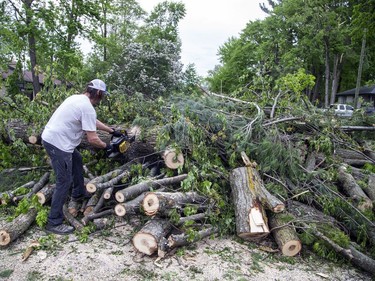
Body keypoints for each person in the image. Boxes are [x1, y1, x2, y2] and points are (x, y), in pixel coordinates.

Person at [41, 79, 119, 235]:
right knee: (64, 181)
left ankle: (78, 192)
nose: (102, 98)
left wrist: (111, 130)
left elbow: (92, 121)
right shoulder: (87, 107)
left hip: (53, 139)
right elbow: (92, 139)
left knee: (77, 160)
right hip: (58, 144)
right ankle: (53, 222)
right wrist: (108, 146)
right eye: (103, 95)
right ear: (98, 93)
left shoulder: (76, 99)